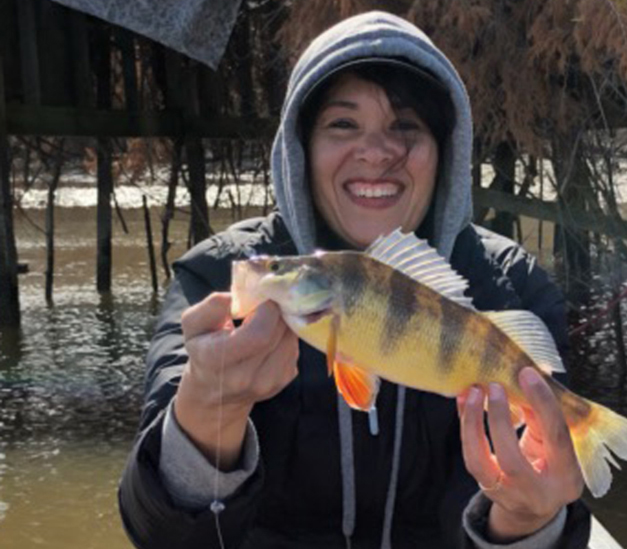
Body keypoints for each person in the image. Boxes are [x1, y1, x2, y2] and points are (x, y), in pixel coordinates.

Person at [119, 11, 591, 549]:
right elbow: (159, 535)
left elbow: (536, 490)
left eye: (406, 126)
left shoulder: (510, 285)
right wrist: (206, 414)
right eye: (343, 124)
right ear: (300, 149)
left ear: (445, 151)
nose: (376, 152)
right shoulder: (220, 276)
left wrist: (525, 521)